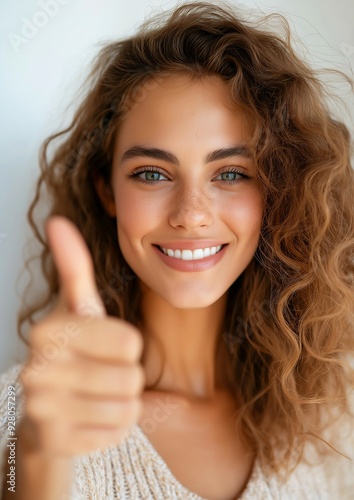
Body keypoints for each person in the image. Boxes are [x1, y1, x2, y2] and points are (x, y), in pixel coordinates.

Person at [1, 1, 354, 498]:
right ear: (106, 190)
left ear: (278, 191)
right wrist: (37, 454)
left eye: (231, 174)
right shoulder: (31, 405)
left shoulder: (332, 417)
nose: (191, 213)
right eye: (152, 173)